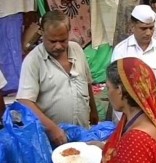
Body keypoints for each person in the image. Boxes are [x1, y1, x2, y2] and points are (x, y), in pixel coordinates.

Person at [16, 10, 98, 146]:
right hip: (53, 139)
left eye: (63, 40)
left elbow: (87, 82)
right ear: (42, 33)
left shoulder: (77, 49)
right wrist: (52, 128)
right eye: (52, 41)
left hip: (83, 132)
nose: (58, 46)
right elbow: (25, 101)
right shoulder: (33, 60)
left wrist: (93, 110)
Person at [100, 57, 156, 163]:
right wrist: (100, 146)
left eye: (108, 87)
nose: (107, 93)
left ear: (119, 89)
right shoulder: (141, 117)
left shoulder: (135, 141)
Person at [111, 5, 156, 105]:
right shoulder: (121, 50)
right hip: (128, 111)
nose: (148, 33)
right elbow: (114, 82)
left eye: (151, 28)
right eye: (143, 28)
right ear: (132, 27)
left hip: (155, 108)